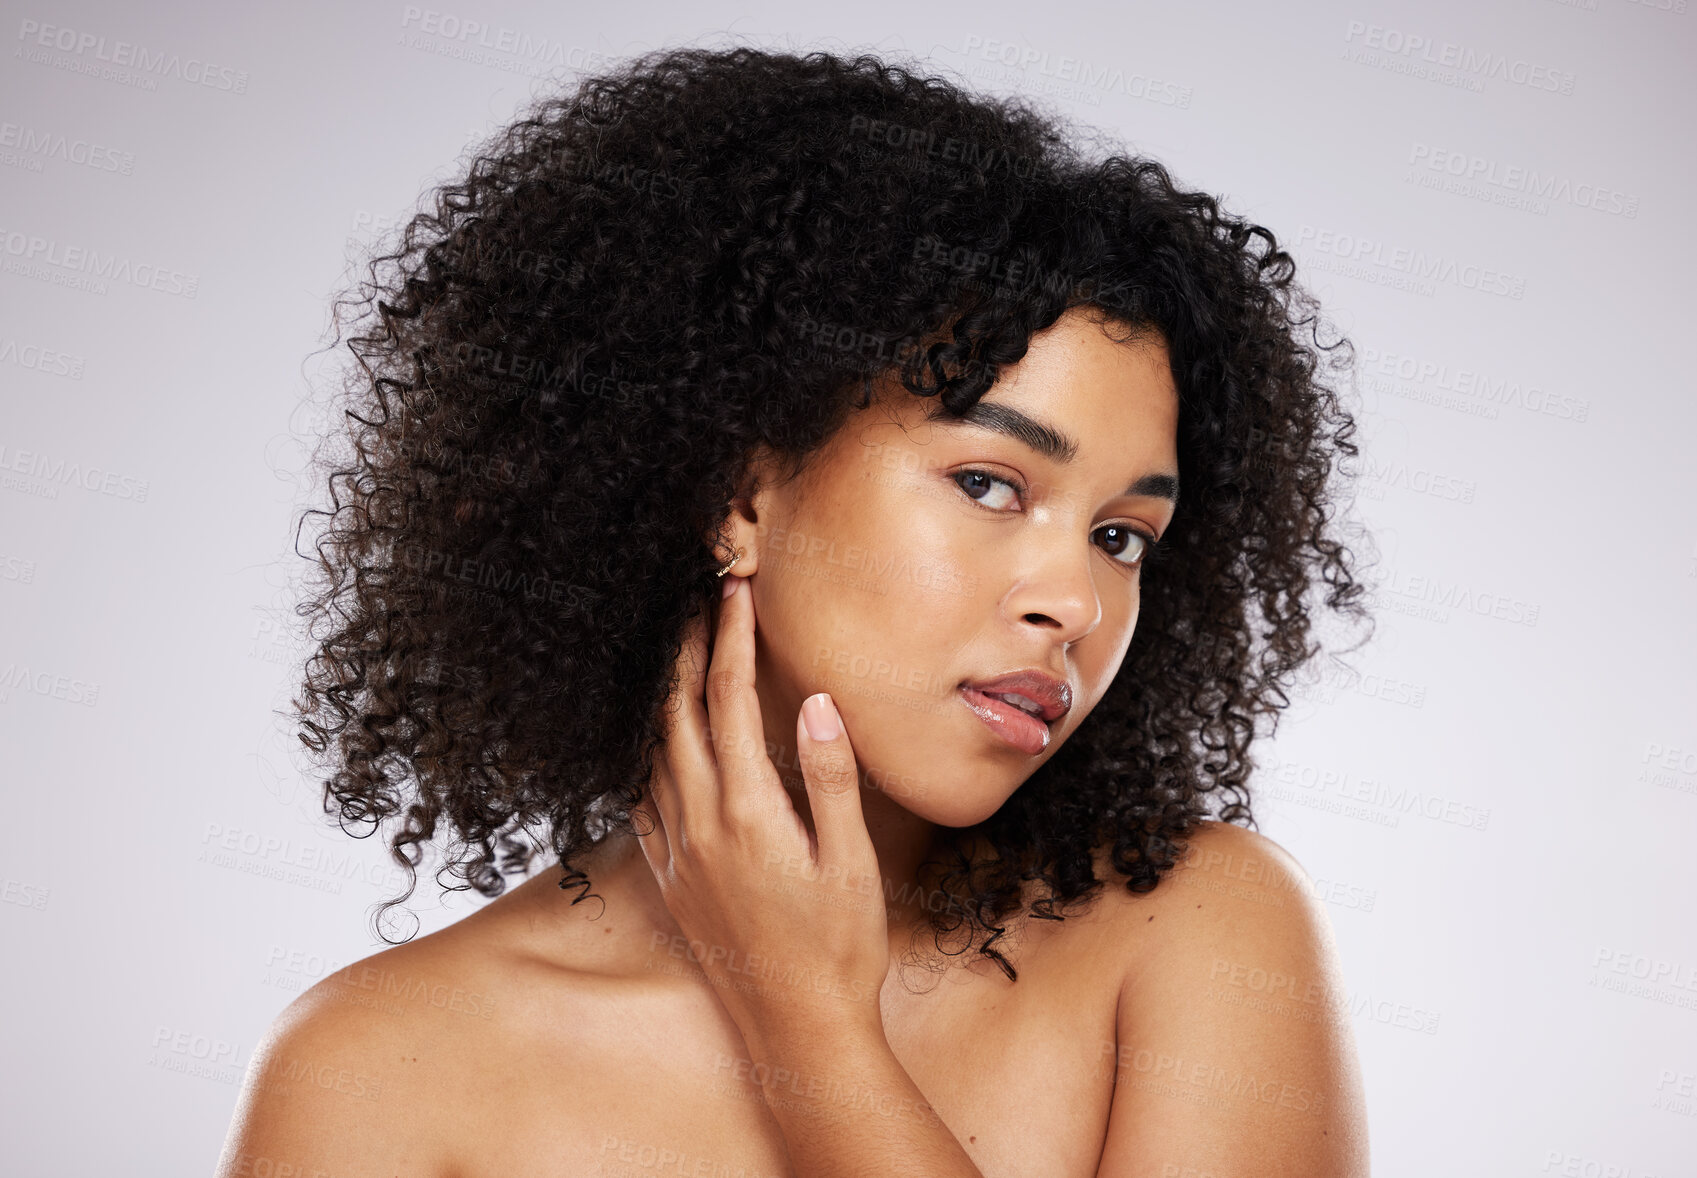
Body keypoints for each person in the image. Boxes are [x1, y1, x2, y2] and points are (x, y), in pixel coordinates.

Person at [217, 44, 1375, 1177]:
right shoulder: (376, 1071)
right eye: (988, 483)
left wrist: (810, 1029)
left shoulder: (1192, 934)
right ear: (741, 492)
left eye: (1120, 536)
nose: (1073, 602)